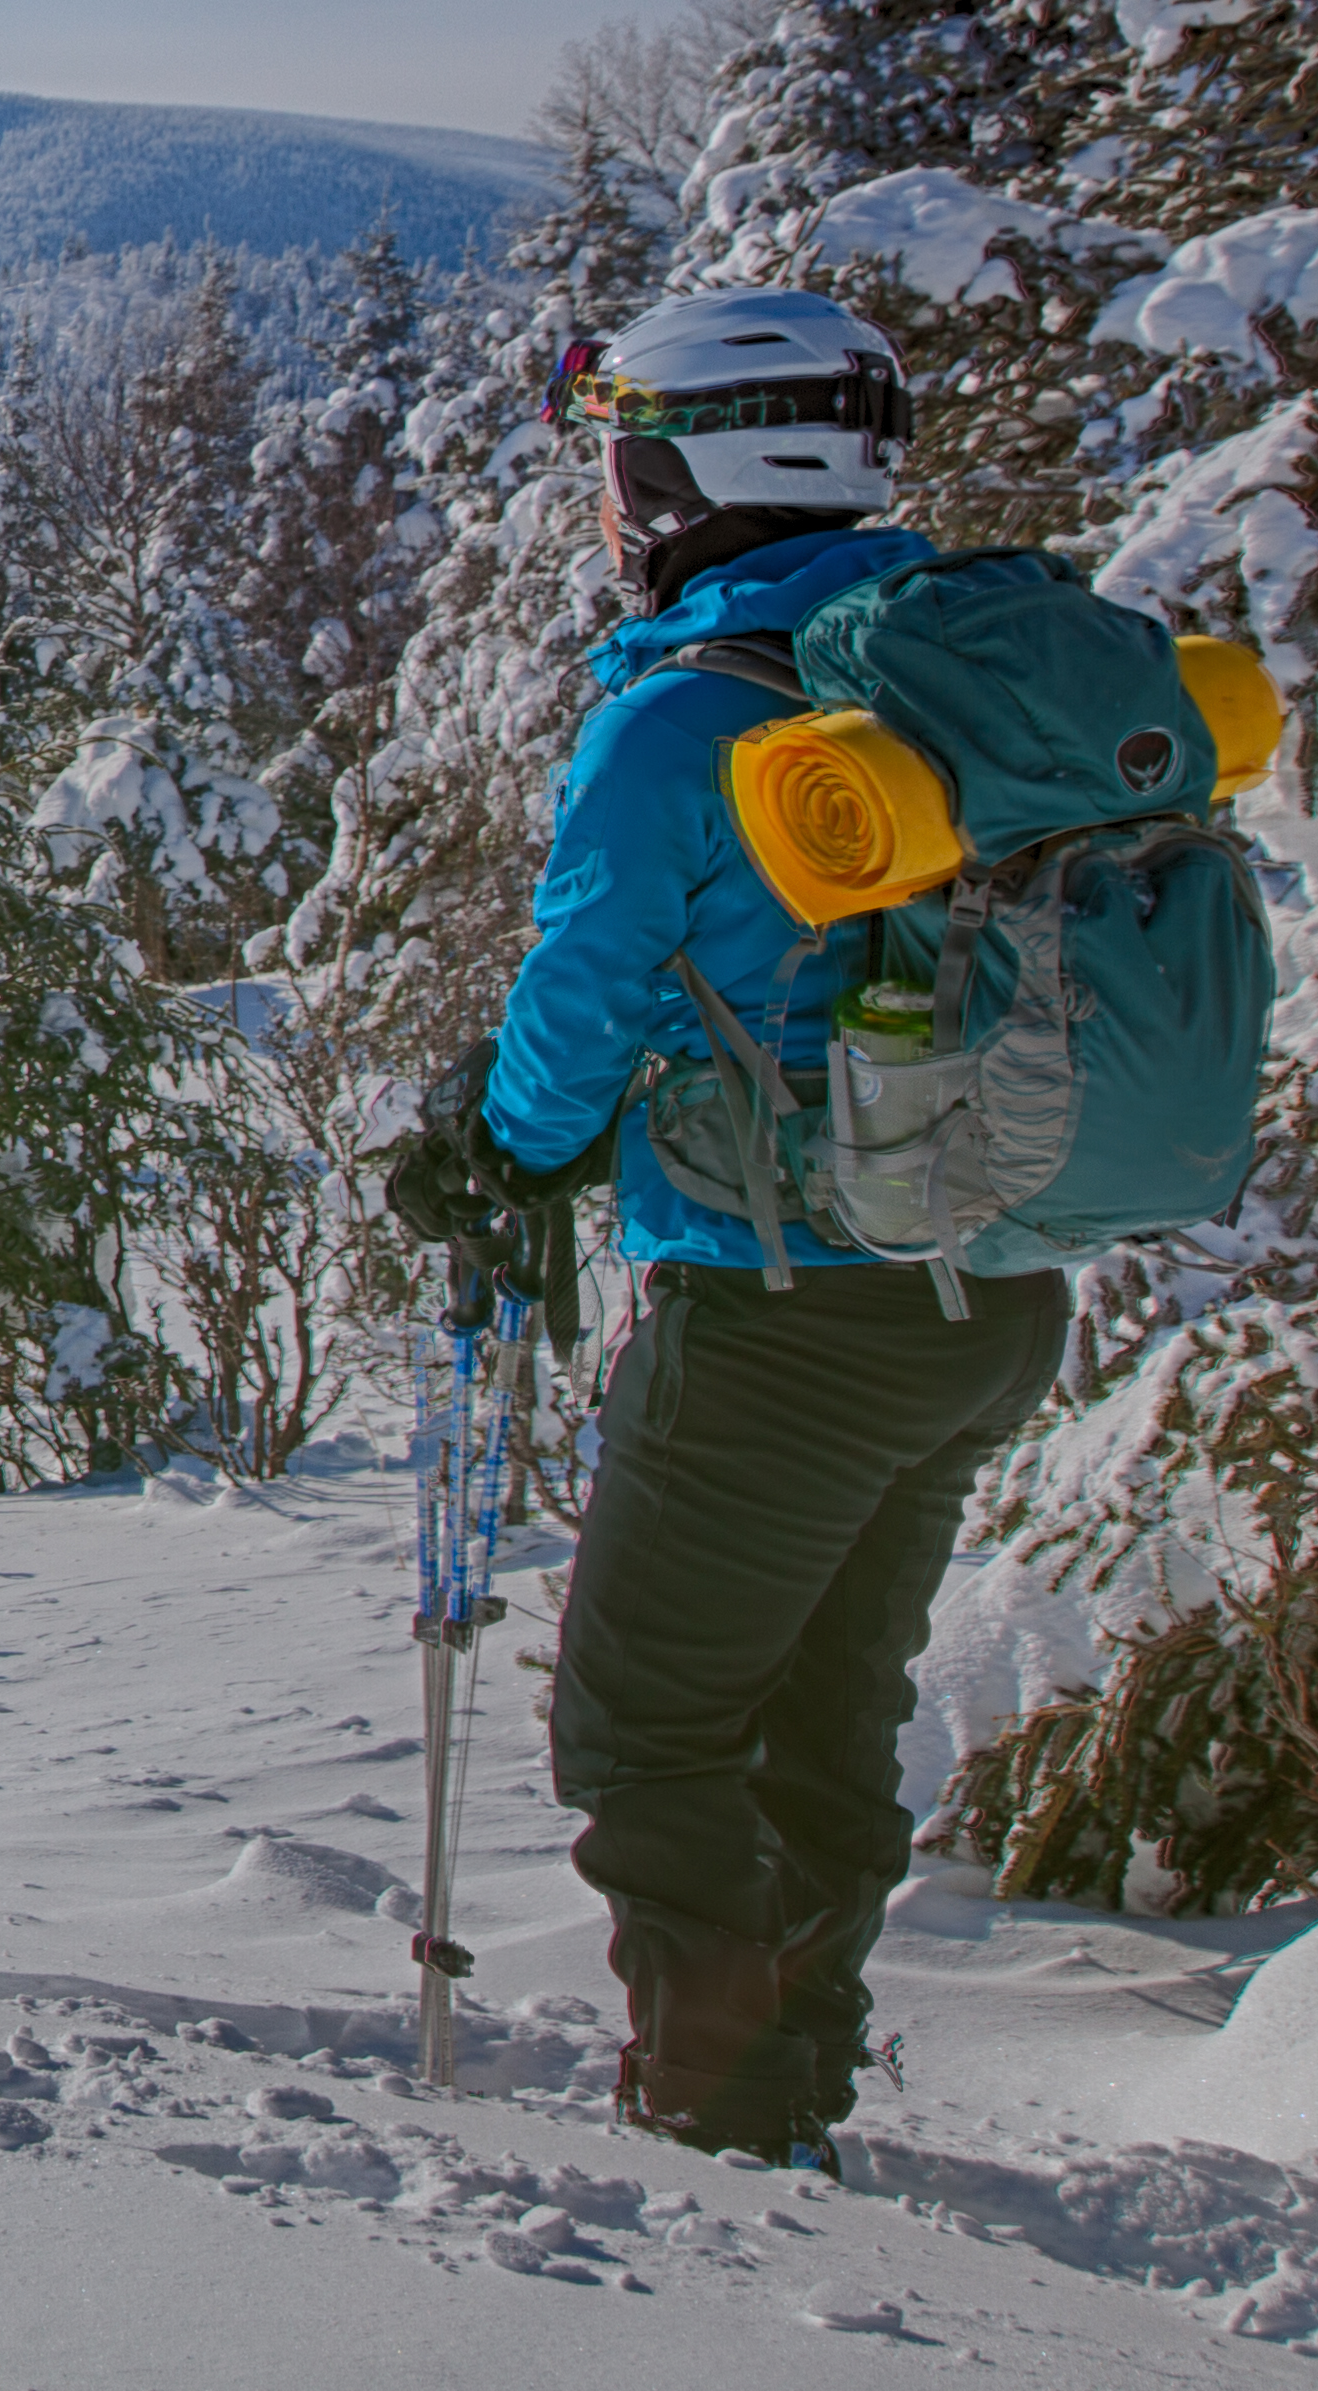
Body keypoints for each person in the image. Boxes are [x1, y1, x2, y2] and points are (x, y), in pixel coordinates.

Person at [405, 285, 1063, 2162]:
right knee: (819, 1710)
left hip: (789, 1309)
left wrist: (504, 1149)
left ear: (695, 469)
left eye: (627, 458)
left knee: (641, 1728)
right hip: (989, 1292)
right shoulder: (970, 664)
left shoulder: (688, 713)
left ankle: (717, 2111)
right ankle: (790, 2077)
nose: (614, 499)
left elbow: (585, 1000)